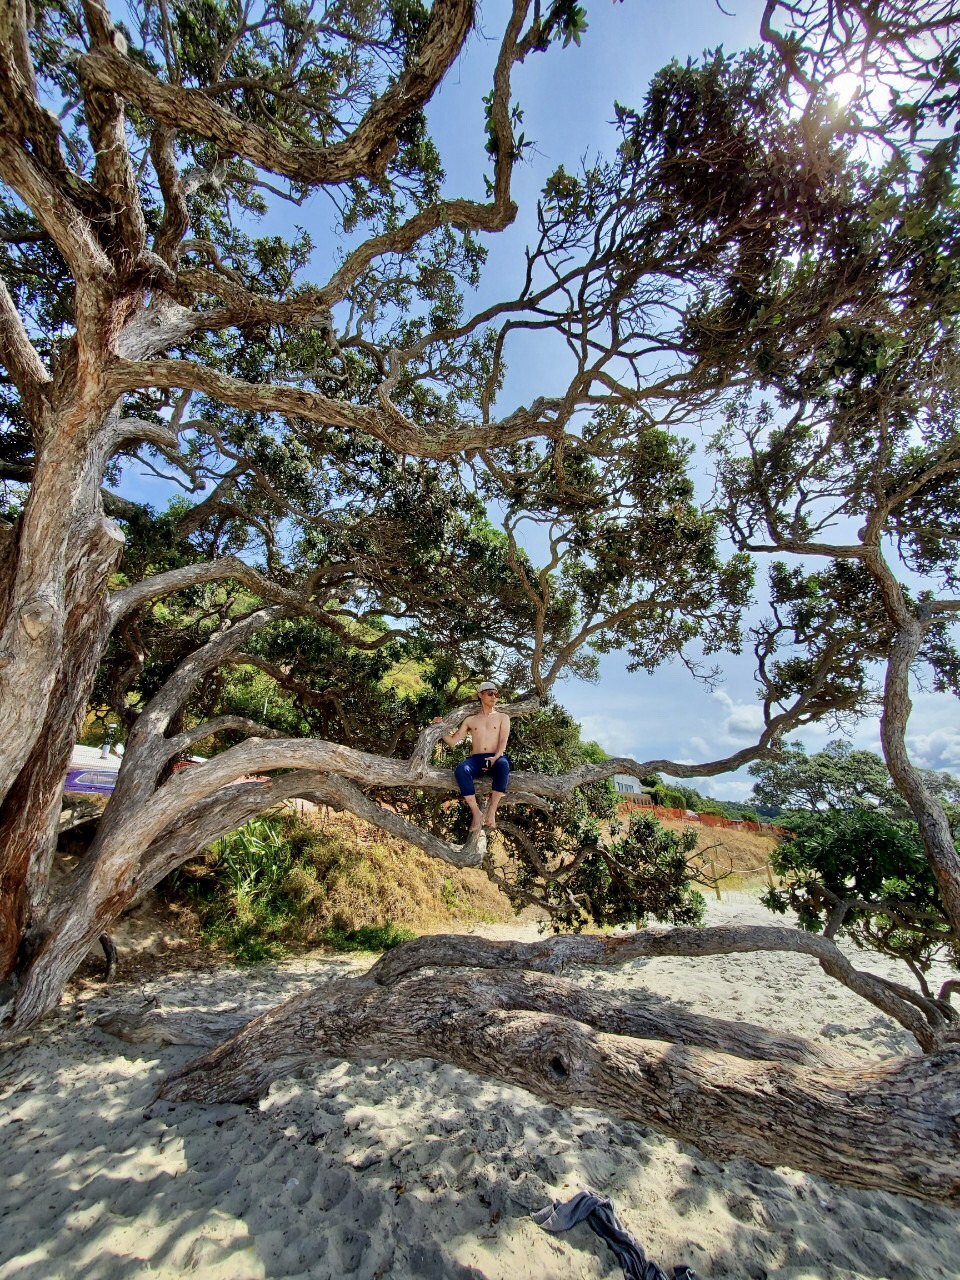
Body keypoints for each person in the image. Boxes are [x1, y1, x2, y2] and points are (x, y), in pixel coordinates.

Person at [432, 682, 511, 831]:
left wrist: (496, 757)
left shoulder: (503, 717)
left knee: (504, 765)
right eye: (490, 693)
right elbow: (453, 741)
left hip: (496, 757)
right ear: (480, 695)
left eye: (496, 694)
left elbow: (503, 742)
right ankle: (476, 812)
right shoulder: (471, 720)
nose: (494, 697)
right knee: (461, 770)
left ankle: (492, 810)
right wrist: (439, 726)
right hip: (476, 759)